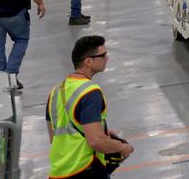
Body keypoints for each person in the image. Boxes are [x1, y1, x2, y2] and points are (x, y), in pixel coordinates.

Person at [46, 35, 133, 177]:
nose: (107, 58)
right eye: (103, 55)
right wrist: (122, 148)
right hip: (85, 170)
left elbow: (55, 137)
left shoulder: (55, 92)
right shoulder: (90, 92)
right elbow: (96, 141)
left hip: (58, 173)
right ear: (88, 62)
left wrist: (101, 129)